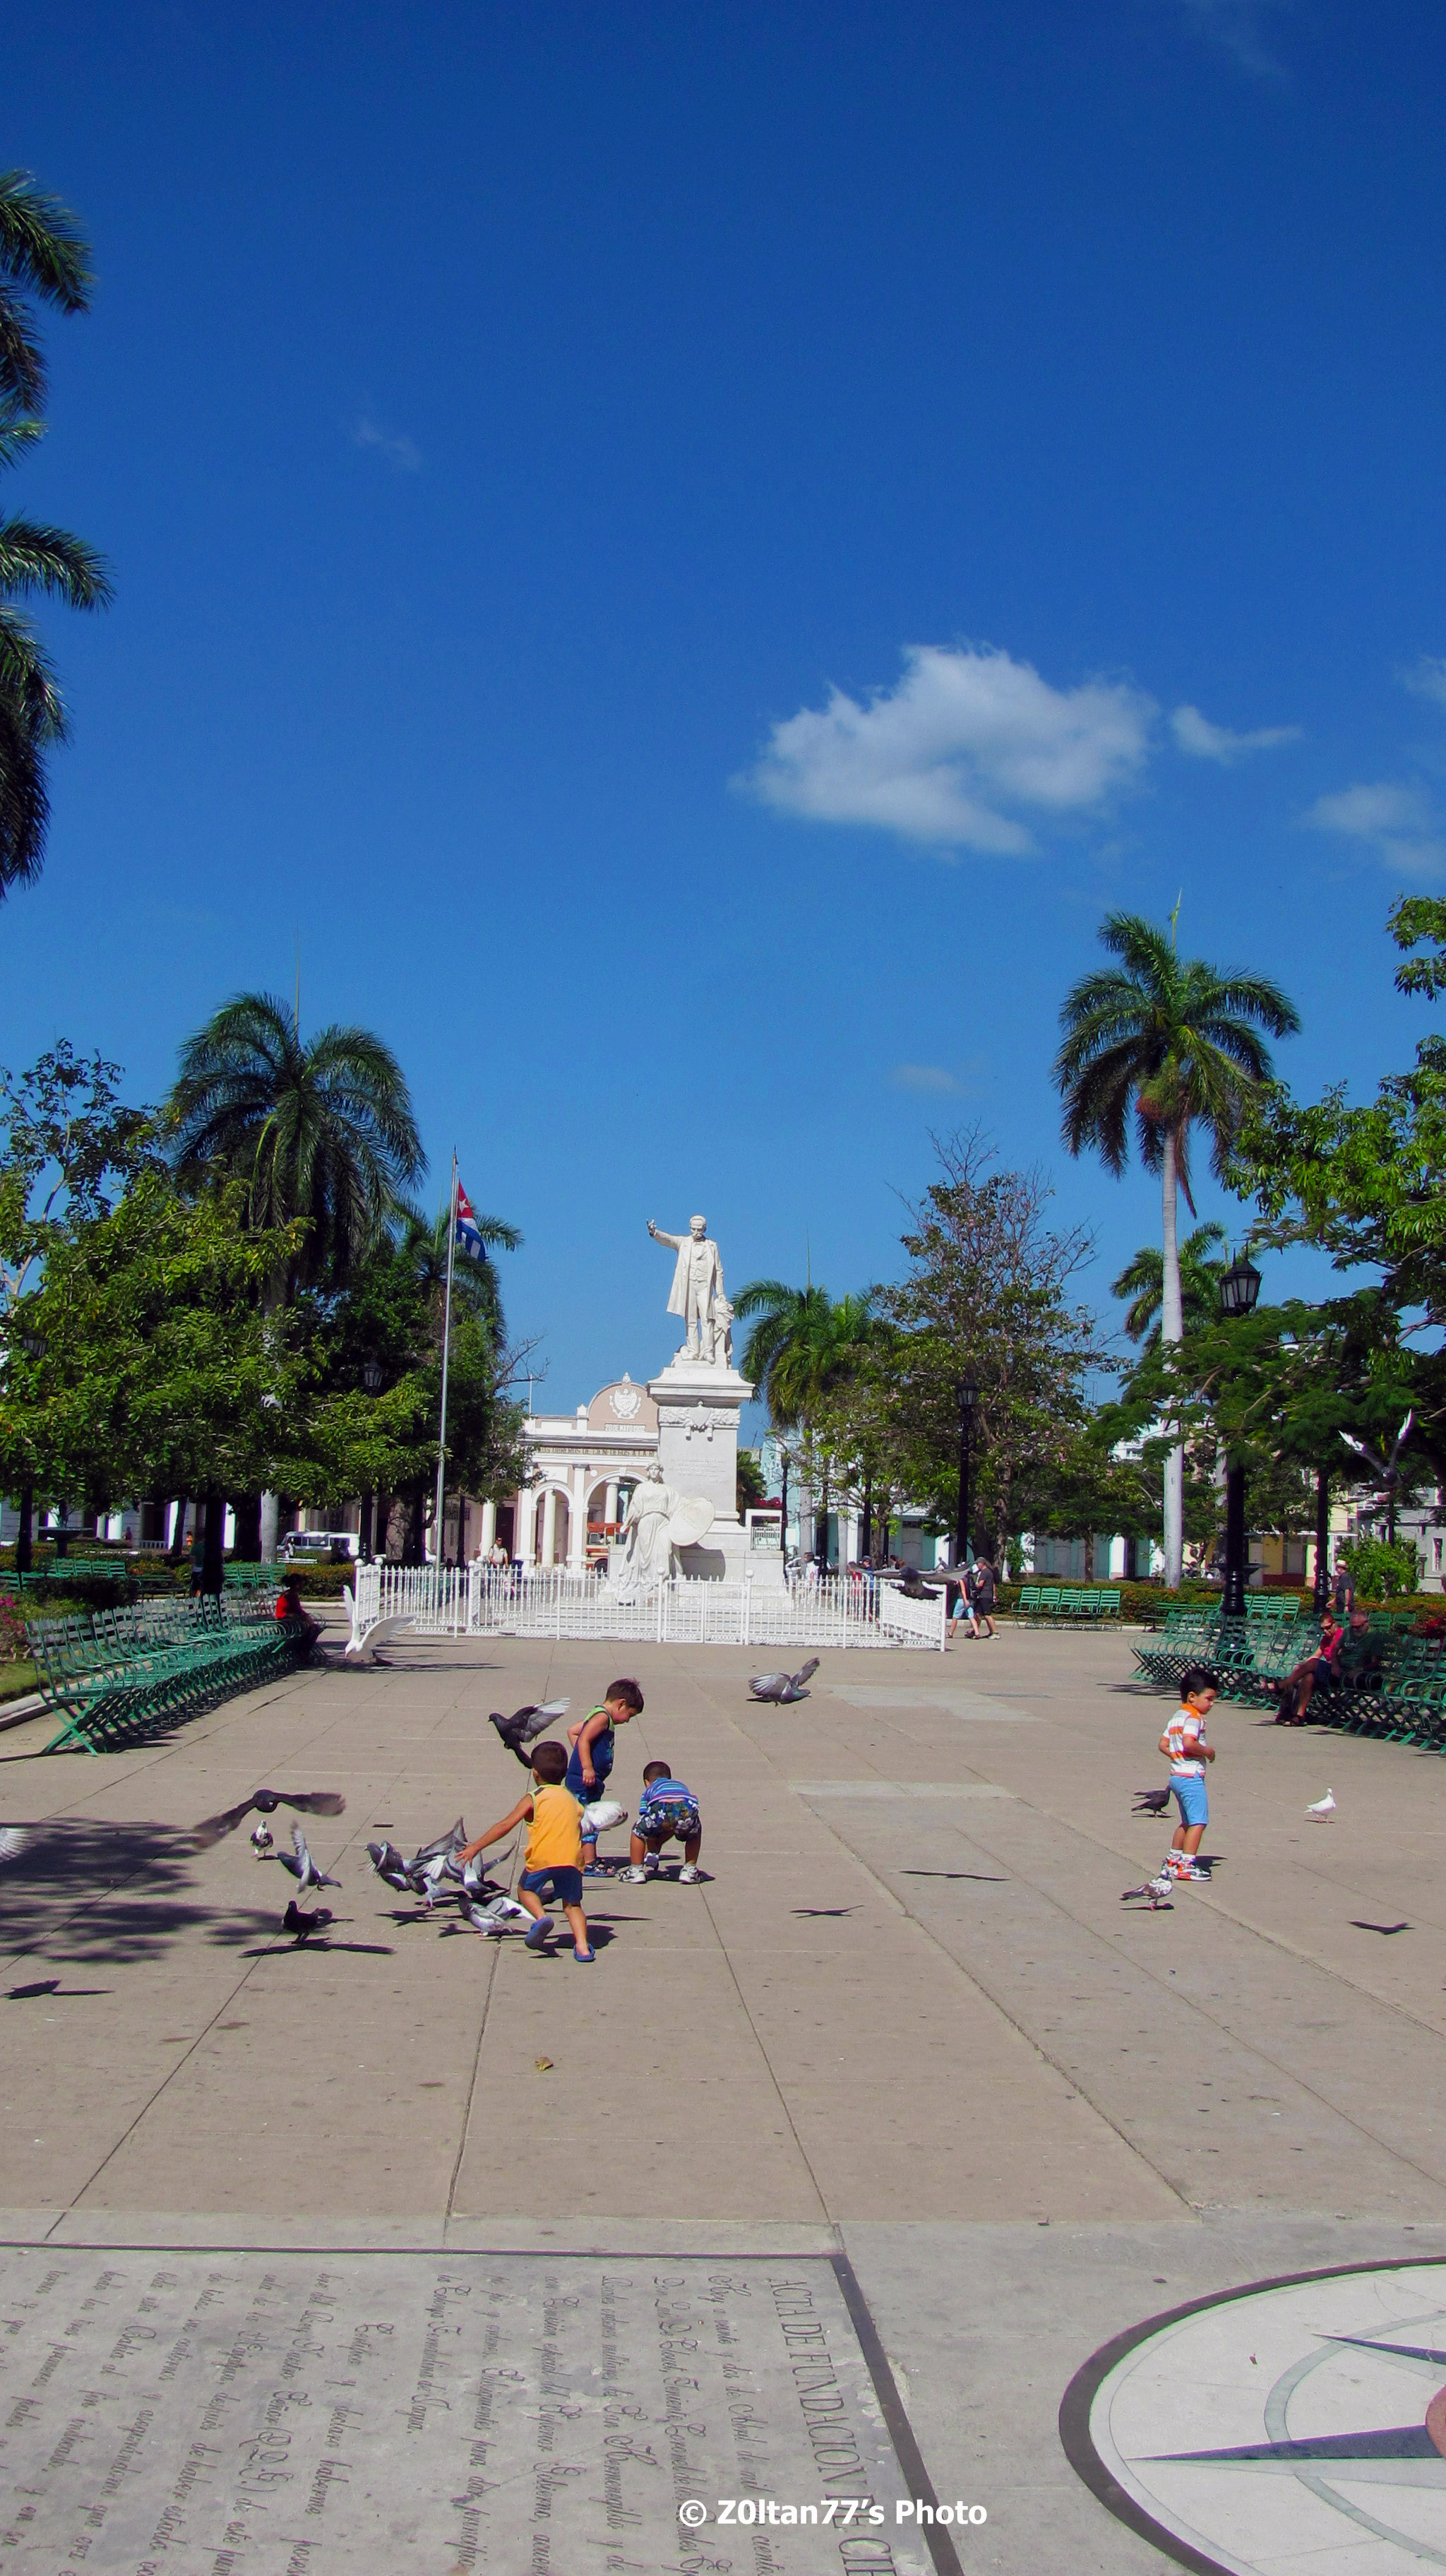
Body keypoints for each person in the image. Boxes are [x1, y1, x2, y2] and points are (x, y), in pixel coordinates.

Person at [456, 1739, 594, 1963]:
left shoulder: (534, 1798)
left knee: (525, 1890)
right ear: (565, 1772)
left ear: (535, 1773)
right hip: (571, 1860)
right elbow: (579, 1828)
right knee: (573, 1905)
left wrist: (475, 1847)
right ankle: (583, 1947)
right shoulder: (572, 1799)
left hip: (542, 1859)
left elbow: (505, 1825)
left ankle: (541, 1918)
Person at [567, 1678, 644, 1870]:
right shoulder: (602, 1718)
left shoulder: (598, 1716)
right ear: (621, 1704)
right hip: (584, 1782)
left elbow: (573, 1732)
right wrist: (587, 1766)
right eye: (629, 1715)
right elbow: (583, 1739)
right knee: (591, 1819)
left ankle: (584, 1857)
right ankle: (589, 1862)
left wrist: (582, 1757)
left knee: (585, 1818)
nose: (627, 1720)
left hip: (589, 1781)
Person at [1159, 1668, 1217, 1881]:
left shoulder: (1177, 1716)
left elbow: (1163, 1744)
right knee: (1198, 1821)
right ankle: (1186, 1864)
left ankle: (1173, 1859)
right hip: (1191, 1778)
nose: (1212, 1704)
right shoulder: (1194, 1717)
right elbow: (1189, 1743)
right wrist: (1208, 1752)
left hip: (1176, 1776)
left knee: (1186, 1821)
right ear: (1192, 1697)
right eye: (1209, 1699)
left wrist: (1177, 1758)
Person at [622, 1760, 703, 1883]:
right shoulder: (679, 1784)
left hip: (661, 1807)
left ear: (647, 1782)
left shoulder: (650, 1789)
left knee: (638, 1831)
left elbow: (644, 1814)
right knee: (694, 1833)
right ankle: (690, 1870)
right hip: (685, 1809)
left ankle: (636, 1871)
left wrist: (650, 1839)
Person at [1275, 1614, 1344, 1725]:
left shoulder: (1342, 1636)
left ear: (1334, 1624)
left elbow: (1340, 1659)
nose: (1325, 1631)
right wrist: (1301, 1667)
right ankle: (1298, 1716)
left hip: (1337, 1672)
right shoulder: (1326, 1639)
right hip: (1326, 1671)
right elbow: (1315, 1656)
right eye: (1322, 1629)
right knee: (1307, 1676)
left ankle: (1281, 1686)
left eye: (1328, 1628)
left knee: (1304, 1671)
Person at [970, 1556, 998, 1640]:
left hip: (984, 1596)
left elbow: (980, 1584)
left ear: (982, 1563)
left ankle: (995, 1633)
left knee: (987, 1615)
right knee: (978, 1614)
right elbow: (993, 1585)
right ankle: (975, 1631)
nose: (977, 1565)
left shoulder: (985, 1572)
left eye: (978, 1564)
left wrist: (973, 1587)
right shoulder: (988, 1572)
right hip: (982, 1596)